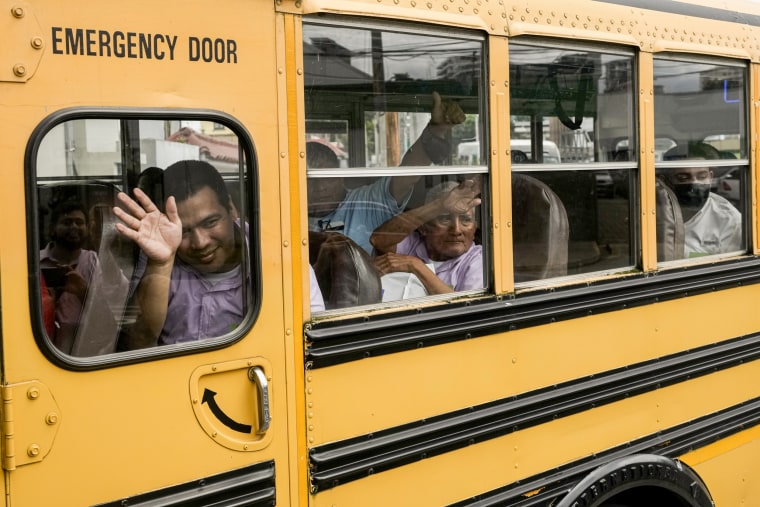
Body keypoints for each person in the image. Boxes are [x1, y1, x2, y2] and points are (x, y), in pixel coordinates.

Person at [115, 160, 324, 347]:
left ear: (231, 209)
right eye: (185, 231)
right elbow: (136, 344)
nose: (200, 243)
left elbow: (307, 347)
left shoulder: (280, 258)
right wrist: (160, 266)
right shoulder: (161, 250)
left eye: (210, 222)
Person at [307, 91, 466, 254]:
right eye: (310, 179)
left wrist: (436, 129)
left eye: (326, 177)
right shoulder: (284, 214)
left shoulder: (365, 202)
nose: (320, 188)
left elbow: (406, 177)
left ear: (339, 176)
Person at [40, 200, 128, 354]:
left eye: (79, 222)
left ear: (87, 229)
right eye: (67, 222)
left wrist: (83, 291)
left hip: (86, 348)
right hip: (42, 343)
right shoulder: (35, 262)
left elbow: (118, 296)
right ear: (52, 229)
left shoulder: (95, 260)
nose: (74, 227)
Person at [370, 179, 482, 297]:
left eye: (466, 220)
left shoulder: (477, 261)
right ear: (424, 227)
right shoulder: (414, 243)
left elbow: (464, 309)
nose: (456, 230)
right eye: (445, 219)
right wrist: (439, 206)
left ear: (474, 228)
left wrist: (415, 266)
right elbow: (377, 240)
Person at [660, 142, 742, 258]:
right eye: (683, 178)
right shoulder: (655, 209)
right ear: (666, 181)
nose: (694, 184)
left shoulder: (730, 221)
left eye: (702, 177)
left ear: (710, 176)